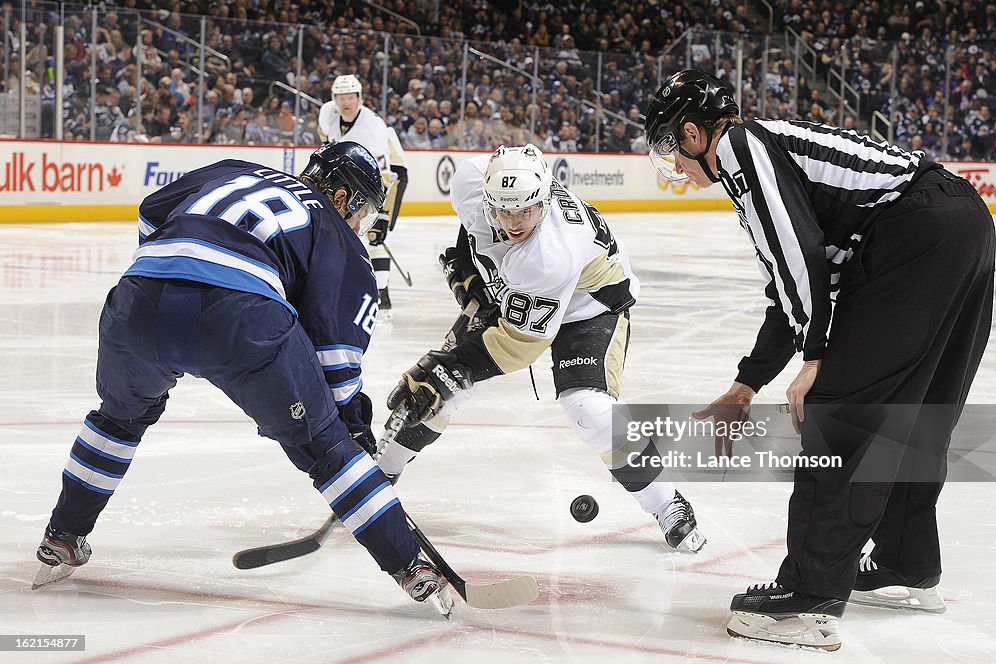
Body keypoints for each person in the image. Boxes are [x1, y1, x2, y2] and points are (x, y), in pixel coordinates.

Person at [645, 70, 995, 650]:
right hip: (959, 222)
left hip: (913, 234)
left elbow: (800, 260)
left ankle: (806, 598)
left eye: (670, 153)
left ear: (692, 133)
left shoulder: (739, 145)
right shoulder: (769, 152)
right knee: (915, 414)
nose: (675, 171)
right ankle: (907, 564)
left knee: (836, 413)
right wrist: (746, 384)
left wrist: (815, 358)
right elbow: (793, 288)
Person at [32, 142, 454, 617]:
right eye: (363, 210)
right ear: (342, 198)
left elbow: (152, 212)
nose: (362, 223)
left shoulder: (237, 169)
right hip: (239, 318)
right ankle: (409, 565)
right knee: (326, 446)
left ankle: (62, 536)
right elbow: (336, 365)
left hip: (138, 297)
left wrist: (168, 277)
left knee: (118, 420)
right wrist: (353, 433)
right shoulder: (336, 234)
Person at [375, 144, 707, 553]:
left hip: (590, 303)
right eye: (504, 211)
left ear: (544, 200)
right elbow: (473, 227)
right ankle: (378, 477)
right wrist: (466, 263)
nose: (514, 222)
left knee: (587, 407)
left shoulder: (549, 255)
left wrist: (452, 366)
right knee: (443, 386)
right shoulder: (471, 183)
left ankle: (666, 503)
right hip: (525, 296)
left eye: (525, 211)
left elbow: (521, 343)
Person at [318, 74, 409, 310]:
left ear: (359, 98)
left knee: (375, 234)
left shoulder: (372, 128)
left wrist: (380, 215)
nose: (345, 102)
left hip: (391, 174)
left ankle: (382, 292)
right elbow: (327, 143)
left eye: (350, 97)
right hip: (356, 172)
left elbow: (386, 175)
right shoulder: (328, 113)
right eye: (340, 97)